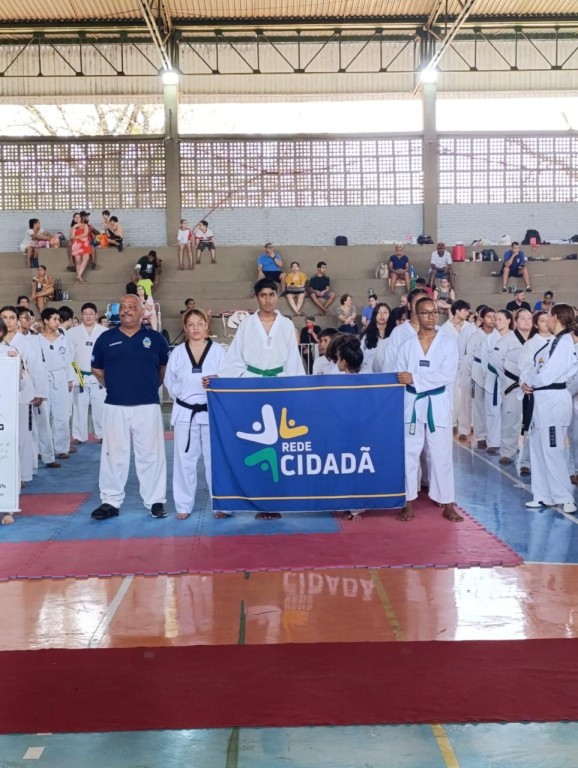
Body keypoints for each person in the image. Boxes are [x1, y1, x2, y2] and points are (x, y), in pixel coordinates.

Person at [219, 278, 305, 520]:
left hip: (279, 387)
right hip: (251, 387)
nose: (267, 299)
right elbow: (234, 359)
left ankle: (274, 500)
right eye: (263, 295)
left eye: (271, 294)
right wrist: (221, 381)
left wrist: (298, 390)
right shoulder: (247, 324)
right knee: (255, 443)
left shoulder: (286, 325)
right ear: (256, 297)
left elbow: (293, 360)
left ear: (277, 296)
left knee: (277, 444)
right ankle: (258, 500)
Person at [90, 294, 169, 520]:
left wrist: (148, 386)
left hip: (147, 405)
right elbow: (96, 369)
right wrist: (115, 386)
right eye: (123, 307)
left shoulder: (155, 338)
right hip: (116, 405)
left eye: (132, 307)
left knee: (151, 454)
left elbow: (163, 369)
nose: (126, 310)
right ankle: (110, 501)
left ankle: (155, 501)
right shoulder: (106, 338)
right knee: (113, 454)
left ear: (142, 311)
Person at [396, 296, 462, 523]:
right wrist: (411, 380)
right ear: (416, 315)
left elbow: (446, 375)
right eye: (425, 313)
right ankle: (407, 501)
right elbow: (400, 376)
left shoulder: (448, 343)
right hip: (412, 404)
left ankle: (448, 503)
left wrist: (415, 378)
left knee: (441, 454)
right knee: (409, 454)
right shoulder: (407, 346)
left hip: (437, 403)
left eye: (434, 312)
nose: (432, 317)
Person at [165, 309, 225, 520]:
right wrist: (184, 398)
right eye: (191, 324)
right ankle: (183, 505)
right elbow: (170, 382)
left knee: (215, 460)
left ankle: (221, 504)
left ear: (207, 325)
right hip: (185, 412)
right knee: (184, 460)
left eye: (200, 323)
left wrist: (217, 379)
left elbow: (228, 376)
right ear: (185, 328)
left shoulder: (218, 351)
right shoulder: (177, 353)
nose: (196, 328)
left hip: (211, 412)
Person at [520, 304, 578, 513]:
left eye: (549, 316)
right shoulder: (554, 342)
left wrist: (530, 381)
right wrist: (525, 382)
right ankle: (543, 495)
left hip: (553, 399)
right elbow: (536, 368)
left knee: (553, 449)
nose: (548, 321)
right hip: (540, 399)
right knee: (537, 447)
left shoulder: (564, 343)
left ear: (556, 317)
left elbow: (548, 374)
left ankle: (564, 497)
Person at [492, 308, 532, 471]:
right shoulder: (505, 341)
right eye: (522, 318)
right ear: (515, 321)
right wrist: (512, 379)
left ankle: (528, 458)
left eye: (529, 318)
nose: (527, 321)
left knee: (531, 422)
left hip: (532, 387)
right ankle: (507, 452)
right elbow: (497, 362)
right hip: (512, 385)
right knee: (510, 419)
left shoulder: (537, 340)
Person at [36, 308, 75, 465]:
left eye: (59, 319)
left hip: (60, 376)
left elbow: (69, 360)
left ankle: (62, 448)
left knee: (62, 415)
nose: (58, 322)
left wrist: (70, 379)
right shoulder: (37, 339)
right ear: (46, 321)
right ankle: (42, 450)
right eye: (54, 319)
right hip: (43, 377)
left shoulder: (63, 338)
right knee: (44, 416)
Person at [67, 303, 106, 445]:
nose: (88, 316)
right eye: (85, 313)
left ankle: (102, 434)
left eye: (91, 313)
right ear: (81, 315)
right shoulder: (72, 332)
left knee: (100, 406)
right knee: (79, 407)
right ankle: (78, 435)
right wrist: (70, 377)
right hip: (80, 375)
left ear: (96, 315)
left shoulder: (104, 332)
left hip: (99, 375)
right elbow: (68, 357)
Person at [440, 300, 475, 439]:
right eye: (465, 310)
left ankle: (468, 424)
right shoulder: (444, 329)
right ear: (457, 311)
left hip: (467, 365)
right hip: (450, 366)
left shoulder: (470, 328)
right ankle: (452, 422)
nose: (467, 313)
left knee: (467, 395)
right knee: (452, 394)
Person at [466, 306, 499, 450]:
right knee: (479, 405)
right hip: (478, 371)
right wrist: (470, 375)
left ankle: (495, 436)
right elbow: (469, 357)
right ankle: (480, 436)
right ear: (482, 318)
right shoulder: (475, 336)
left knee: (495, 407)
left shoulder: (499, 335)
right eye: (489, 317)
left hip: (495, 373)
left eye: (494, 317)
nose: (492, 320)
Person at [484, 309, 513, 455]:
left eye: (500, 319)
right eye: (495, 319)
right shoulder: (490, 338)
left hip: (510, 380)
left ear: (509, 320)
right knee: (492, 411)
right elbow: (484, 361)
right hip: (493, 379)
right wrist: (490, 374)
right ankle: (493, 442)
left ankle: (509, 444)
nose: (496, 322)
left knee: (510, 413)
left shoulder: (514, 338)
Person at [360, 302, 390, 373]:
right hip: (369, 372)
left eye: (385, 312)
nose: (382, 315)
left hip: (388, 372)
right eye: (378, 312)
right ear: (374, 315)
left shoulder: (394, 335)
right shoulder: (367, 336)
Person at [70, 211, 92, 283]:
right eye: (75, 217)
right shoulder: (73, 227)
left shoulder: (85, 225)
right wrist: (74, 228)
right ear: (73, 219)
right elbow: (71, 237)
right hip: (76, 245)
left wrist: (76, 237)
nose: (77, 218)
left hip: (85, 244)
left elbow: (85, 234)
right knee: (78, 261)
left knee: (86, 259)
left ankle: (79, 275)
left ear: (81, 218)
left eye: (78, 217)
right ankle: (79, 277)